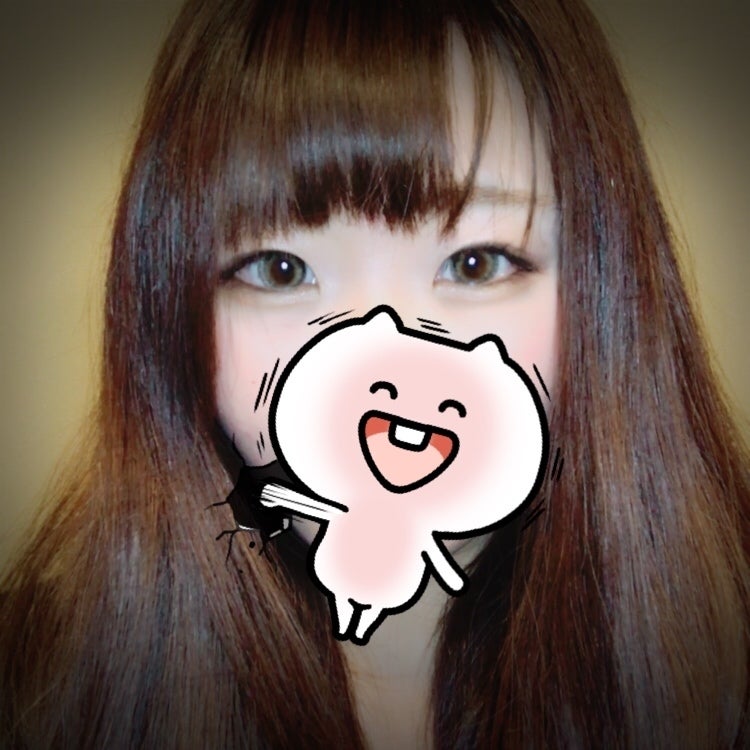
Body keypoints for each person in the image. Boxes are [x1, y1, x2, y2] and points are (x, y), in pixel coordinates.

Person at [1, 0, 748, 747]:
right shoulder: (35, 694)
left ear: (606, 286)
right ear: (171, 312)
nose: (380, 364)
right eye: (280, 269)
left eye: (476, 263)